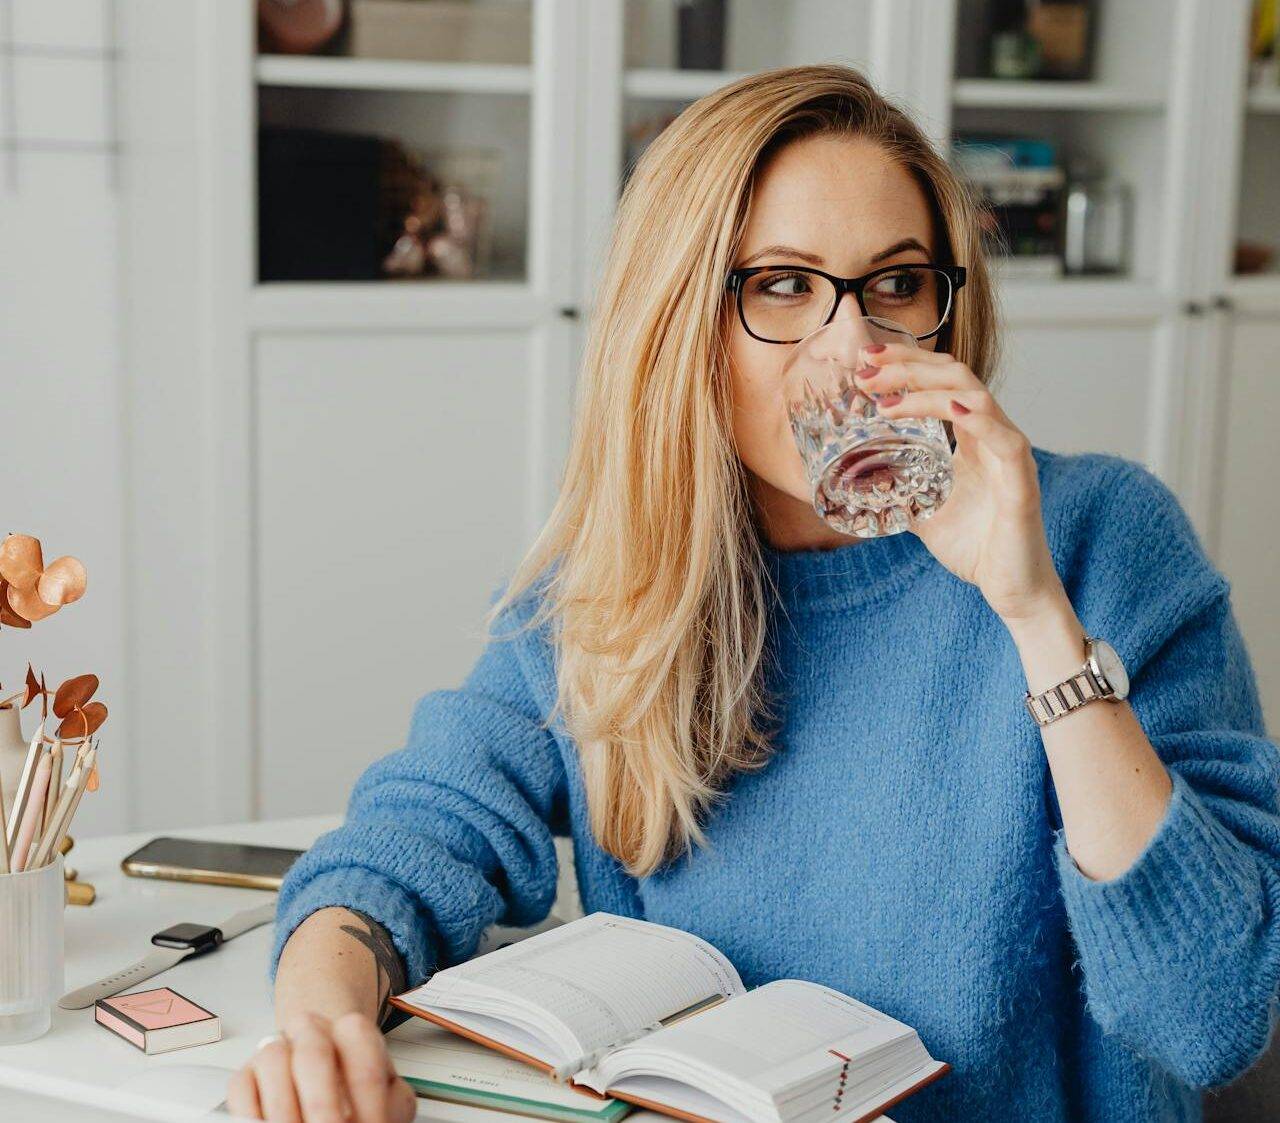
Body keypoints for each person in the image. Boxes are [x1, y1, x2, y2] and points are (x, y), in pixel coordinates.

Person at [228, 64, 1280, 1123]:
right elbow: (406, 842)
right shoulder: (609, 588)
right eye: (781, 285)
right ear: (682, 323)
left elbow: (1208, 1016)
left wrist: (1033, 612)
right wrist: (320, 1033)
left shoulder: (1098, 540)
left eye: (896, 283)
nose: (854, 348)